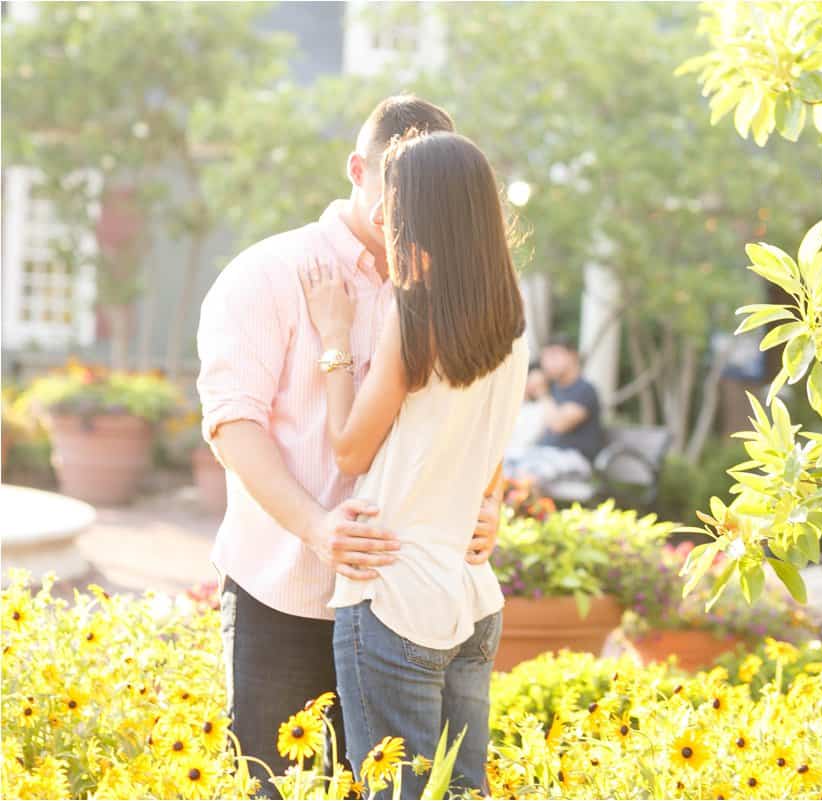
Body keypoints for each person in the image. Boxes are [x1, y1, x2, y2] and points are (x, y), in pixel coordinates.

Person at [195, 97, 502, 797]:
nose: (414, 217)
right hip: (288, 595)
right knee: (280, 787)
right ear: (359, 170)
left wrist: (487, 501)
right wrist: (318, 527)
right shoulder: (266, 273)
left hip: (408, 610)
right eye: (401, 195)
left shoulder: (452, 287)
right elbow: (232, 424)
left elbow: (481, 412)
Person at [302, 130, 527, 797]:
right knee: (461, 789)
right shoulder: (512, 319)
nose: (380, 216)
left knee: (395, 790)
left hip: (395, 593)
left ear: (423, 214)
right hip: (471, 590)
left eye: (393, 202)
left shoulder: (415, 312)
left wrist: (337, 340)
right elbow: (488, 456)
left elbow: (349, 448)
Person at [504, 337, 605, 485]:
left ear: (572, 356)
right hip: (542, 453)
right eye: (545, 357)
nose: (548, 363)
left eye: (554, 355)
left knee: (529, 474)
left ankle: (534, 508)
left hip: (574, 458)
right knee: (503, 466)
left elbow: (559, 425)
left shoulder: (584, 390)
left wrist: (541, 392)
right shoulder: (552, 389)